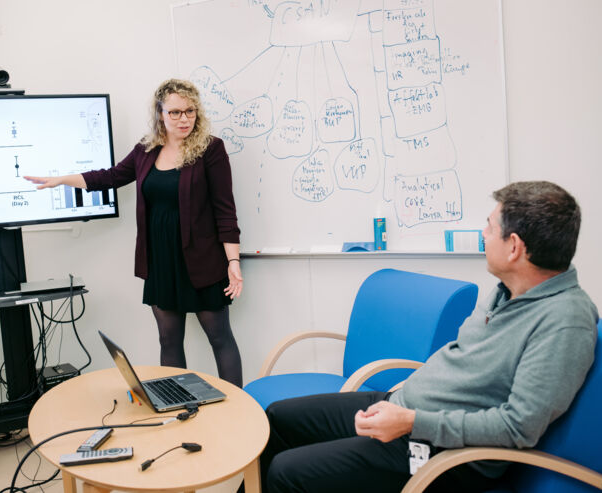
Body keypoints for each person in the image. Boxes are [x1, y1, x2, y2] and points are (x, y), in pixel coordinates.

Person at [256, 181, 598, 492]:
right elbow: (463, 362)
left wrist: (412, 422)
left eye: (490, 227)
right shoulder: (508, 291)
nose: (483, 234)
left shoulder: (565, 322)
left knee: (288, 472)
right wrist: (405, 406)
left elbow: (517, 427)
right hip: (403, 407)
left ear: (514, 248)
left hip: (446, 450)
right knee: (275, 418)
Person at [24, 79, 244, 387]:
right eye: (175, 112)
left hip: (203, 262)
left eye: (190, 111)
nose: (184, 119)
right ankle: (179, 407)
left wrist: (233, 262)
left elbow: (225, 208)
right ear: (160, 114)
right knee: (168, 341)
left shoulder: (210, 149)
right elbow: (110, 177)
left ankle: (237, 411)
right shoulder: (146, 150)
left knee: (220, 338)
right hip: (161, 263)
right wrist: (62, 179)